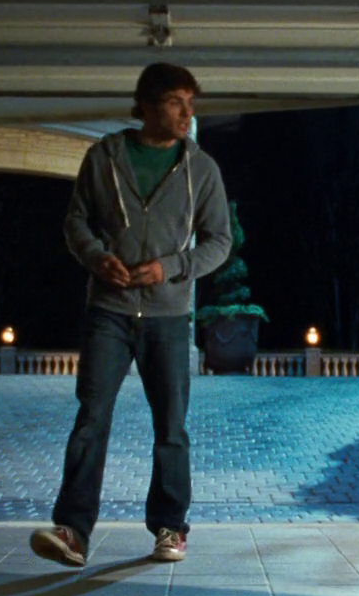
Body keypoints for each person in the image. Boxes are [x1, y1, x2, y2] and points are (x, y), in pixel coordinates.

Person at [31, 63, 232, 567]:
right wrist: (97, 257)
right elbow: (76, 221)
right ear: (146, 104)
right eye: (175, 102)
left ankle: (170, 527)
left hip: (169, 317)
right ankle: (73, 531)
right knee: (91, 418)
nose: (187, 113)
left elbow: (219, 242)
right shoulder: (103, 158)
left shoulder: (202, 169)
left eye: (191, 103)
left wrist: (171, 267)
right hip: (108, 311)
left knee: (171, 427)